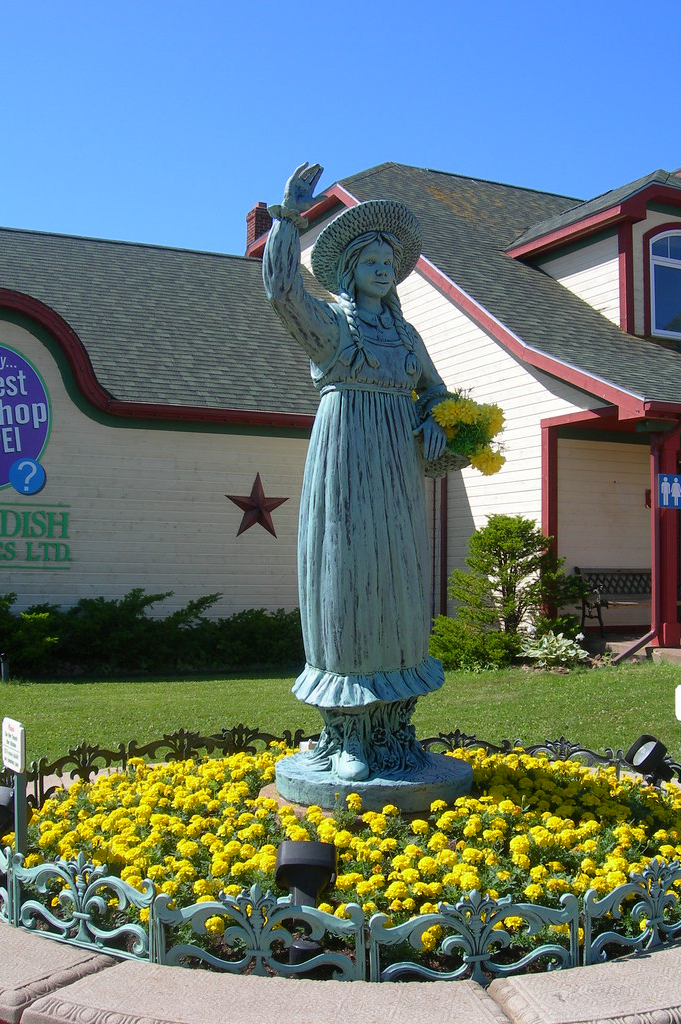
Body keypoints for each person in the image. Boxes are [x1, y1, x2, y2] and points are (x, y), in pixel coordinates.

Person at [263, 163, 449, 783]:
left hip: (396, 472)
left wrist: (438, 422)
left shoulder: (406, 333)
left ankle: (394, 730)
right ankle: (348, 738)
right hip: (344, 462)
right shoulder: (332, 326)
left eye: (388, 264)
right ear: (349, 268)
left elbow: (438, 395)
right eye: (371, 260)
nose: (381, 270)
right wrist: (288, 218)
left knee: (394, 582)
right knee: (343, 580)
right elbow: (282, 290)